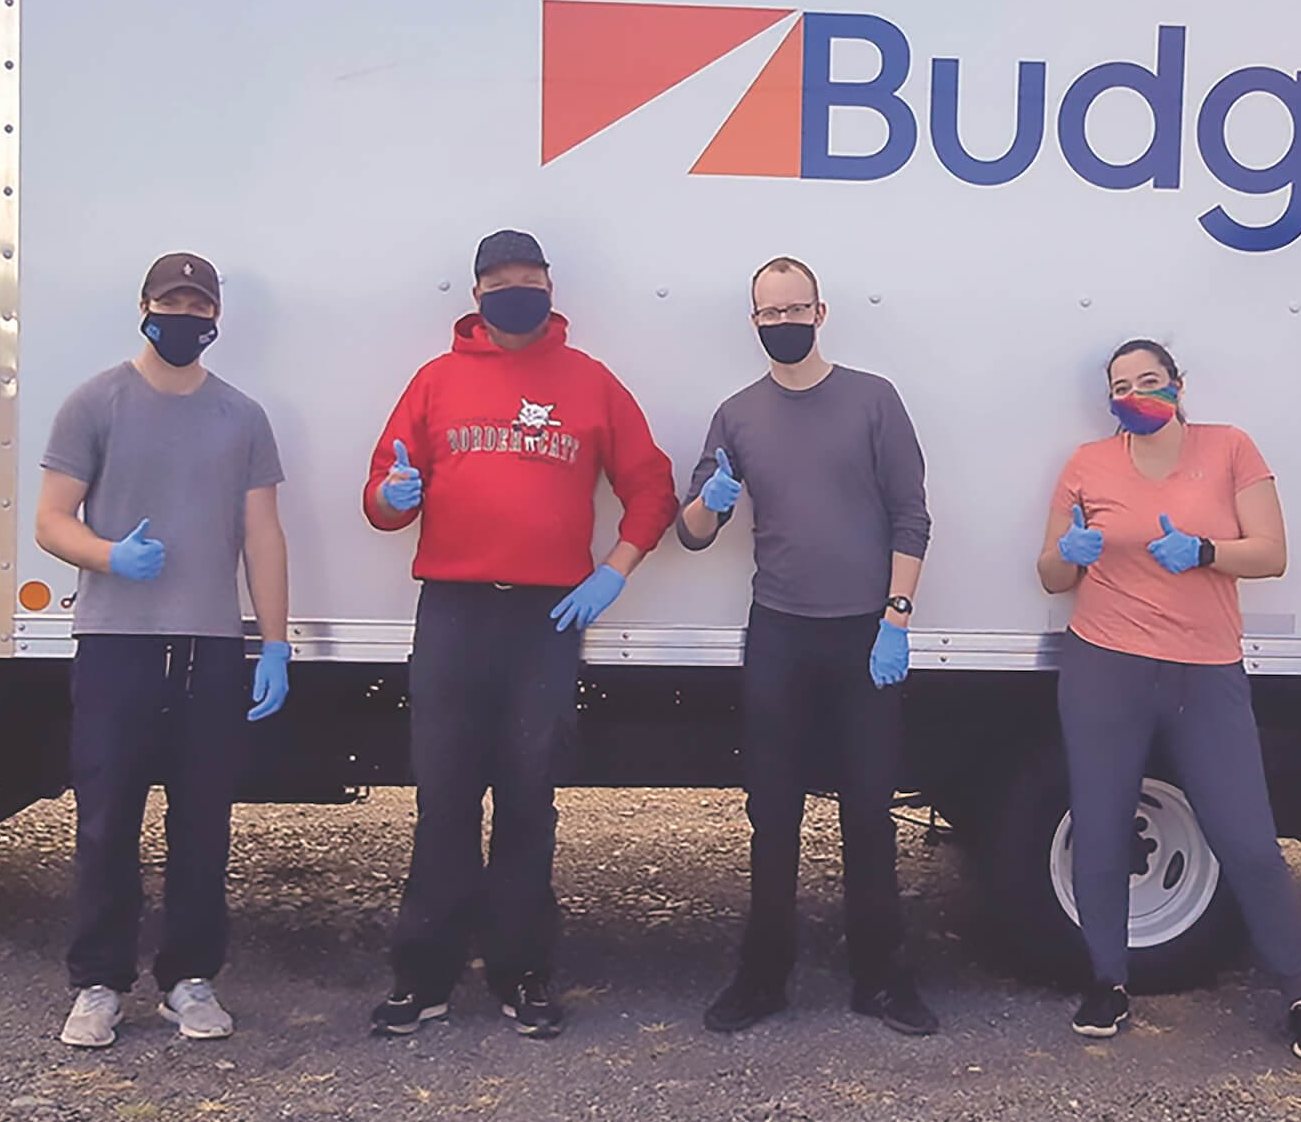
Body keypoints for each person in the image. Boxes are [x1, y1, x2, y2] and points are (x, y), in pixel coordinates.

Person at [364, 229, 676, 1040]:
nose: (518, 291)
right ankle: (422, 978)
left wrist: (615, 569)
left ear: (549, 286)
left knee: (530, 799)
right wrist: (397, 495)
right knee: (443, 797)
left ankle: (523, 974)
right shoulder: (435, 382)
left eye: (531, 278)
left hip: (545, 619)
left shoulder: (590, 383)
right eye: (502, 281)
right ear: (477, 296)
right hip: (455, 611)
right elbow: (379, 495)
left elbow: (651, 487)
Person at [1035, 338, 1301, 1062]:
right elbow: (1050, 574)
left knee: (1247, 840)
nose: (1136, 394)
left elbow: (1271, 553)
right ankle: (1108, 983)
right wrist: (1069, 556)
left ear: (1178, 384)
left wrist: (1204, 551)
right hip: (1105, 664)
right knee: (1103, 831)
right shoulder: (1088, 464)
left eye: (1150, 380)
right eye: (1121, 386)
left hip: (1205, 670)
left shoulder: (1228, 448)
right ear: (1108, 399)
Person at [36, 252, 292, 1048]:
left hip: (209, 647)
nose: (183, 315)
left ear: (215, 317)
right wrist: (110, 556)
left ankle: (190, 978)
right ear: (144, 305)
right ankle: (99, 984)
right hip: (116, 645)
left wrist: (275, 643)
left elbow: (262, 533)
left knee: (203, 824)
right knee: (107, 821)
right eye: (170, 300)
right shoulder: (96, 402)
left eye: (197, 303)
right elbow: (51, 520)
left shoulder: (241, 416)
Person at [679, 256, 938, 1037]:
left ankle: (882, 980)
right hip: (780, 632)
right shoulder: (737, 414)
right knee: (773, 813)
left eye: (796, 309)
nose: (783, 322)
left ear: (821, 313)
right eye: (769, 313)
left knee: (868, 811)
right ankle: (763, 977)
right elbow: (691, 533)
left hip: (865, 633)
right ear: (753, 322)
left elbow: (911, 515)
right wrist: (709, 504)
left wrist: (897, 616)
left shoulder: (873, 399)